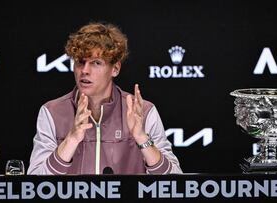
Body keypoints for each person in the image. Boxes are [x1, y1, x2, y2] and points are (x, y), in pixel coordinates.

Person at [27, 22, 182, 175]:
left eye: (96, 63)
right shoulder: (52, 112)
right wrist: (71, 140)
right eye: (80, 62)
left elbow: (175, 182)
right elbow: (34, 184)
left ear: (115, 69)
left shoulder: (143, 111)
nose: (85, 71)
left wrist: (142, 138)